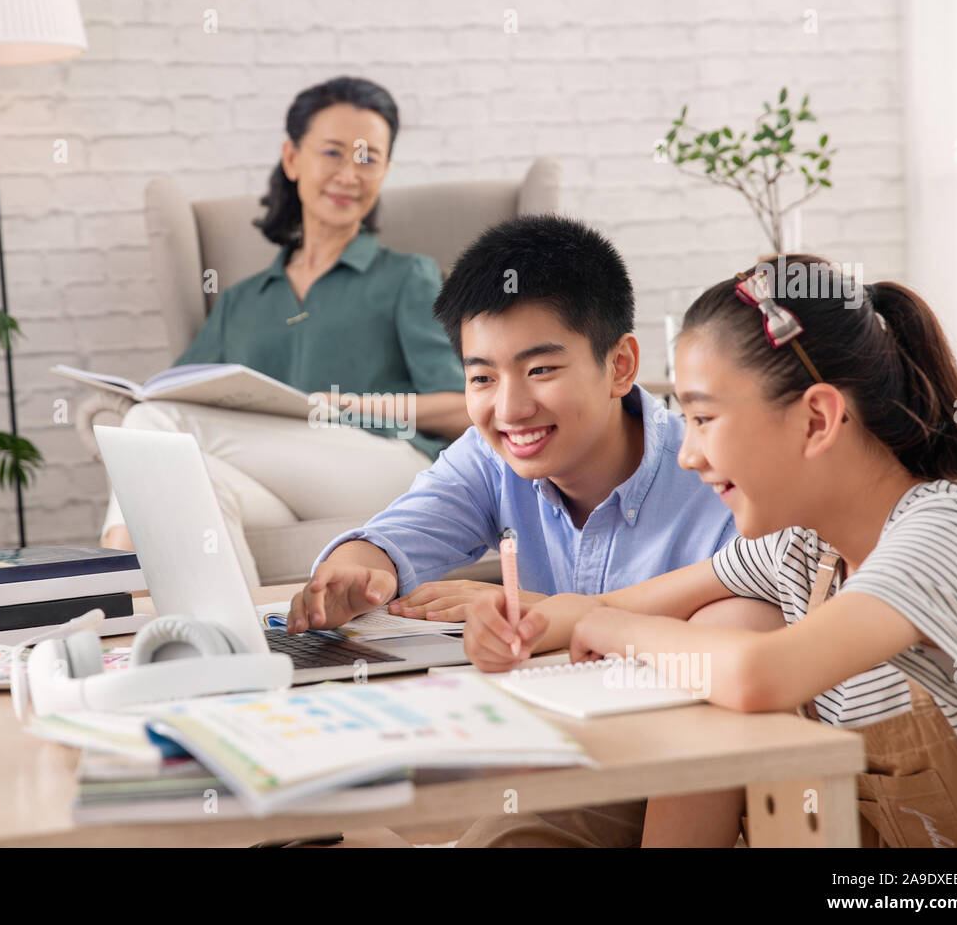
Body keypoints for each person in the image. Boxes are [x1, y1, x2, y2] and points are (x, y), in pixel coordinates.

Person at [463, 255, 957, 846]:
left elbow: (758, 676)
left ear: (817, 419)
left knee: (727, 641)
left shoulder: (950, 531)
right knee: (726, 622)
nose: (688, 454)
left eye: (703, 418)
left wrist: (611, 627)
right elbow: (617, 604)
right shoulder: (807, 549)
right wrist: (517, 626)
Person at [287, 215, 782, 847]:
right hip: (569, 759)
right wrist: (359, 568)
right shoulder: (492, 458)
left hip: (688, 778)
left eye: (541, 369)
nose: (510, 408)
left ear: (620, 365)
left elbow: (732, 659)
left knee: (508, 832)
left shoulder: (717, 477)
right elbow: (397, 534)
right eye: (482, 377)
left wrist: (547, 615)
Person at [100, 77, 470, 586]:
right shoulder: (241, 300)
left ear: (384, 171)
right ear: (293, 159)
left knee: (150, 424)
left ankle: (114, 580)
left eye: (367, 158)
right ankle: (239, 647)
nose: (349, 173)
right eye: (333, 153)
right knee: (187, 476)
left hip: (381, 467)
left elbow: (464, 408)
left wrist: (347, 405)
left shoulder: (406, 276)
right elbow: (177, 392)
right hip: (276, 488)